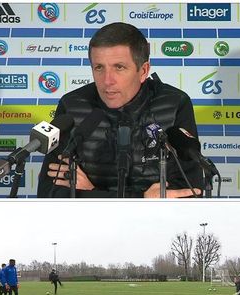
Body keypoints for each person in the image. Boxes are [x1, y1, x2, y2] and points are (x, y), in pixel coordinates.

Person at [37, 22, 204, 198]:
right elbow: (49, 193)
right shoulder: (72, 106)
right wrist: (143, 199)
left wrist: (90, 193)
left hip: (155, 223)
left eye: (119, 67)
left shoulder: (174, 104)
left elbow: (190, 192)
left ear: (143, 71)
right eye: (99, 67)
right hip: (90, 223)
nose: (107, 80)